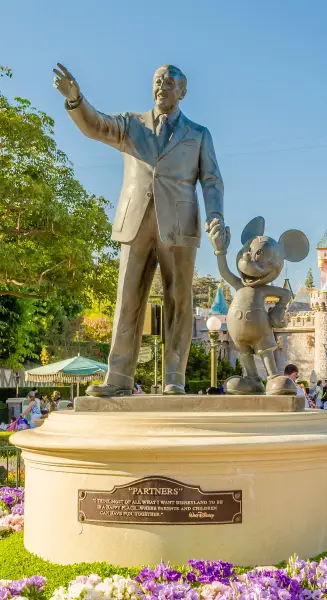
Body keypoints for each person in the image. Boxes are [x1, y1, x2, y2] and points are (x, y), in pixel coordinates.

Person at [53, 62, 224, 397]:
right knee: (127, 299)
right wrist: (76, 101)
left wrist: (215, 215)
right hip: (134, 221)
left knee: (179, 300)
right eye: (157, 81)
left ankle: (175, 377)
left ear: (183, 91)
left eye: (169, 82)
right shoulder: (132, 124)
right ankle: (118, 378)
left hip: (179, 223)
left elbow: (212, 180)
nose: (162, 86)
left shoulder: (199, 134)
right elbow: (96, 125)